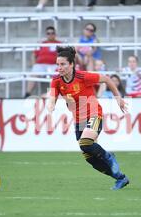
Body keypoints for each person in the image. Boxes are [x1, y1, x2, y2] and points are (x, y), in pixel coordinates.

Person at [48, 46, 130, 190]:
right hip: (79, 121)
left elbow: (107, 79)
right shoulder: (56, 81)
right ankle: (120, 178)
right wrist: (50, 106)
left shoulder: (83, 76)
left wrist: (118, 99)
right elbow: (52, 98)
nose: (59, 68)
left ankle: (110, 156)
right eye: (57, 65)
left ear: (71, 64)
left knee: (85, 143)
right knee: (91, 159)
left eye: (63, 64)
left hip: (94, 113)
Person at [25, 26, 62, 98]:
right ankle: (27, 94)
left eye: (52, 33)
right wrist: (34, 65)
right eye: (48, 33)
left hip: (54, 65)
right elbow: (33, 55)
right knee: (34, 73)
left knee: (56, 75)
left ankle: (53, 95)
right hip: (41, 65)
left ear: (55, 34)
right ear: (46, 34)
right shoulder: (42, 44)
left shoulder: (59, 44)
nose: (50, 35)